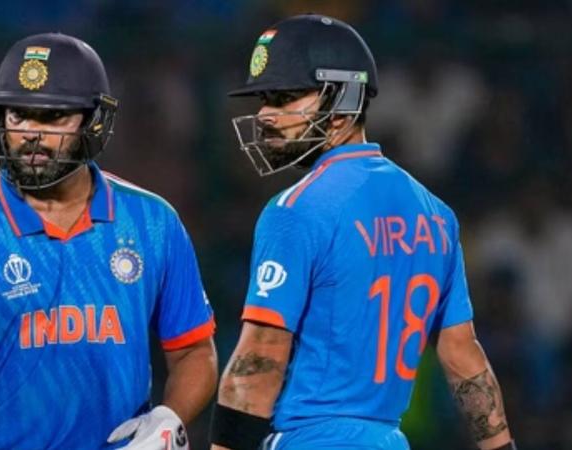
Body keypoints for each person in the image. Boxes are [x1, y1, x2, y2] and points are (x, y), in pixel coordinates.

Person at [0, 32, 217, 449]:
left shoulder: (154, 222)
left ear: (94, 121)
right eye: (18, 115)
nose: (31, 133)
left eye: (52, 117)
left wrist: (169, 418)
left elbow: (195, 352)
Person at [210, 14, 515, 450]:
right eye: (264, 99)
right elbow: (464, 358)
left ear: (344, 102)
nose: (264, 115)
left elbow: (260, 358)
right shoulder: (436, 215)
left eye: (284, 98)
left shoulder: (296, 209)